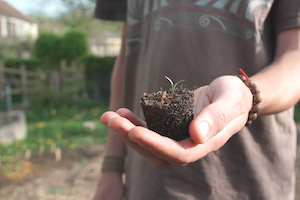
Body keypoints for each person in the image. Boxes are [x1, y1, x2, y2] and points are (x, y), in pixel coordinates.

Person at [93, 1, 300, 199]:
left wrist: (247, 94)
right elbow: (127, 55)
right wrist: (112, 166)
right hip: (148, 181)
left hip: (253, 176)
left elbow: (295, 58)